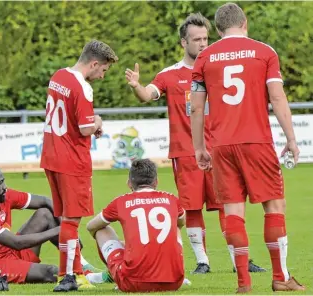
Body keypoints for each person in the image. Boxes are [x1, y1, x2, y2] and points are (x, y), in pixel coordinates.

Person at [125, 13, 264, 274]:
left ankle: (239, 260)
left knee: (228, 202)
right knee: (191, 207)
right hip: (186, 152)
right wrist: (136, 86)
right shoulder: (169, 75)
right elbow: (147, 95)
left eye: (205, 38)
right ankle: (203, 261)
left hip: (219, 150)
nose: (202, 44)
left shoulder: (217, 67)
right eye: (196, 39)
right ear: (183, 42)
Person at [190, 3, 305, 293]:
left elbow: (195, 108)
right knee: (275, 207)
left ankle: (243, 284)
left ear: (217, 29)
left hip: (222, 145)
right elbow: (277, 98)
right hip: (257, 141)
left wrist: (199, 147)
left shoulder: (204, 57)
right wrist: (291, 138)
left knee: (233, 213)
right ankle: (280, 277)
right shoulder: (264, 52)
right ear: (245, 23)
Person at [40, 39, 118, 292]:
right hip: (71, 161)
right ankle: (68, 276)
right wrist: (97, 121)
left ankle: (75, 272)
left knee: (65, 219)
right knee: (71, 221)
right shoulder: (82, 87)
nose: (102, 76)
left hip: (51, 156)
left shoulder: (58, 75)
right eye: (103, 70)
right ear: (94, 63)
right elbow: (85, 128)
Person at [86, 159, 185, 293]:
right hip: (174, 282)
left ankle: (113, 273)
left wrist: (124, 245)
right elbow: (181, 222)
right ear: (156, 182)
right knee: (176, 228)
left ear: (129, 183)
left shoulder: (121, 202)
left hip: (133, 283)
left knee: (102, 230)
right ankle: (170, 269)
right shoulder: (172, 199)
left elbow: (91, 226)